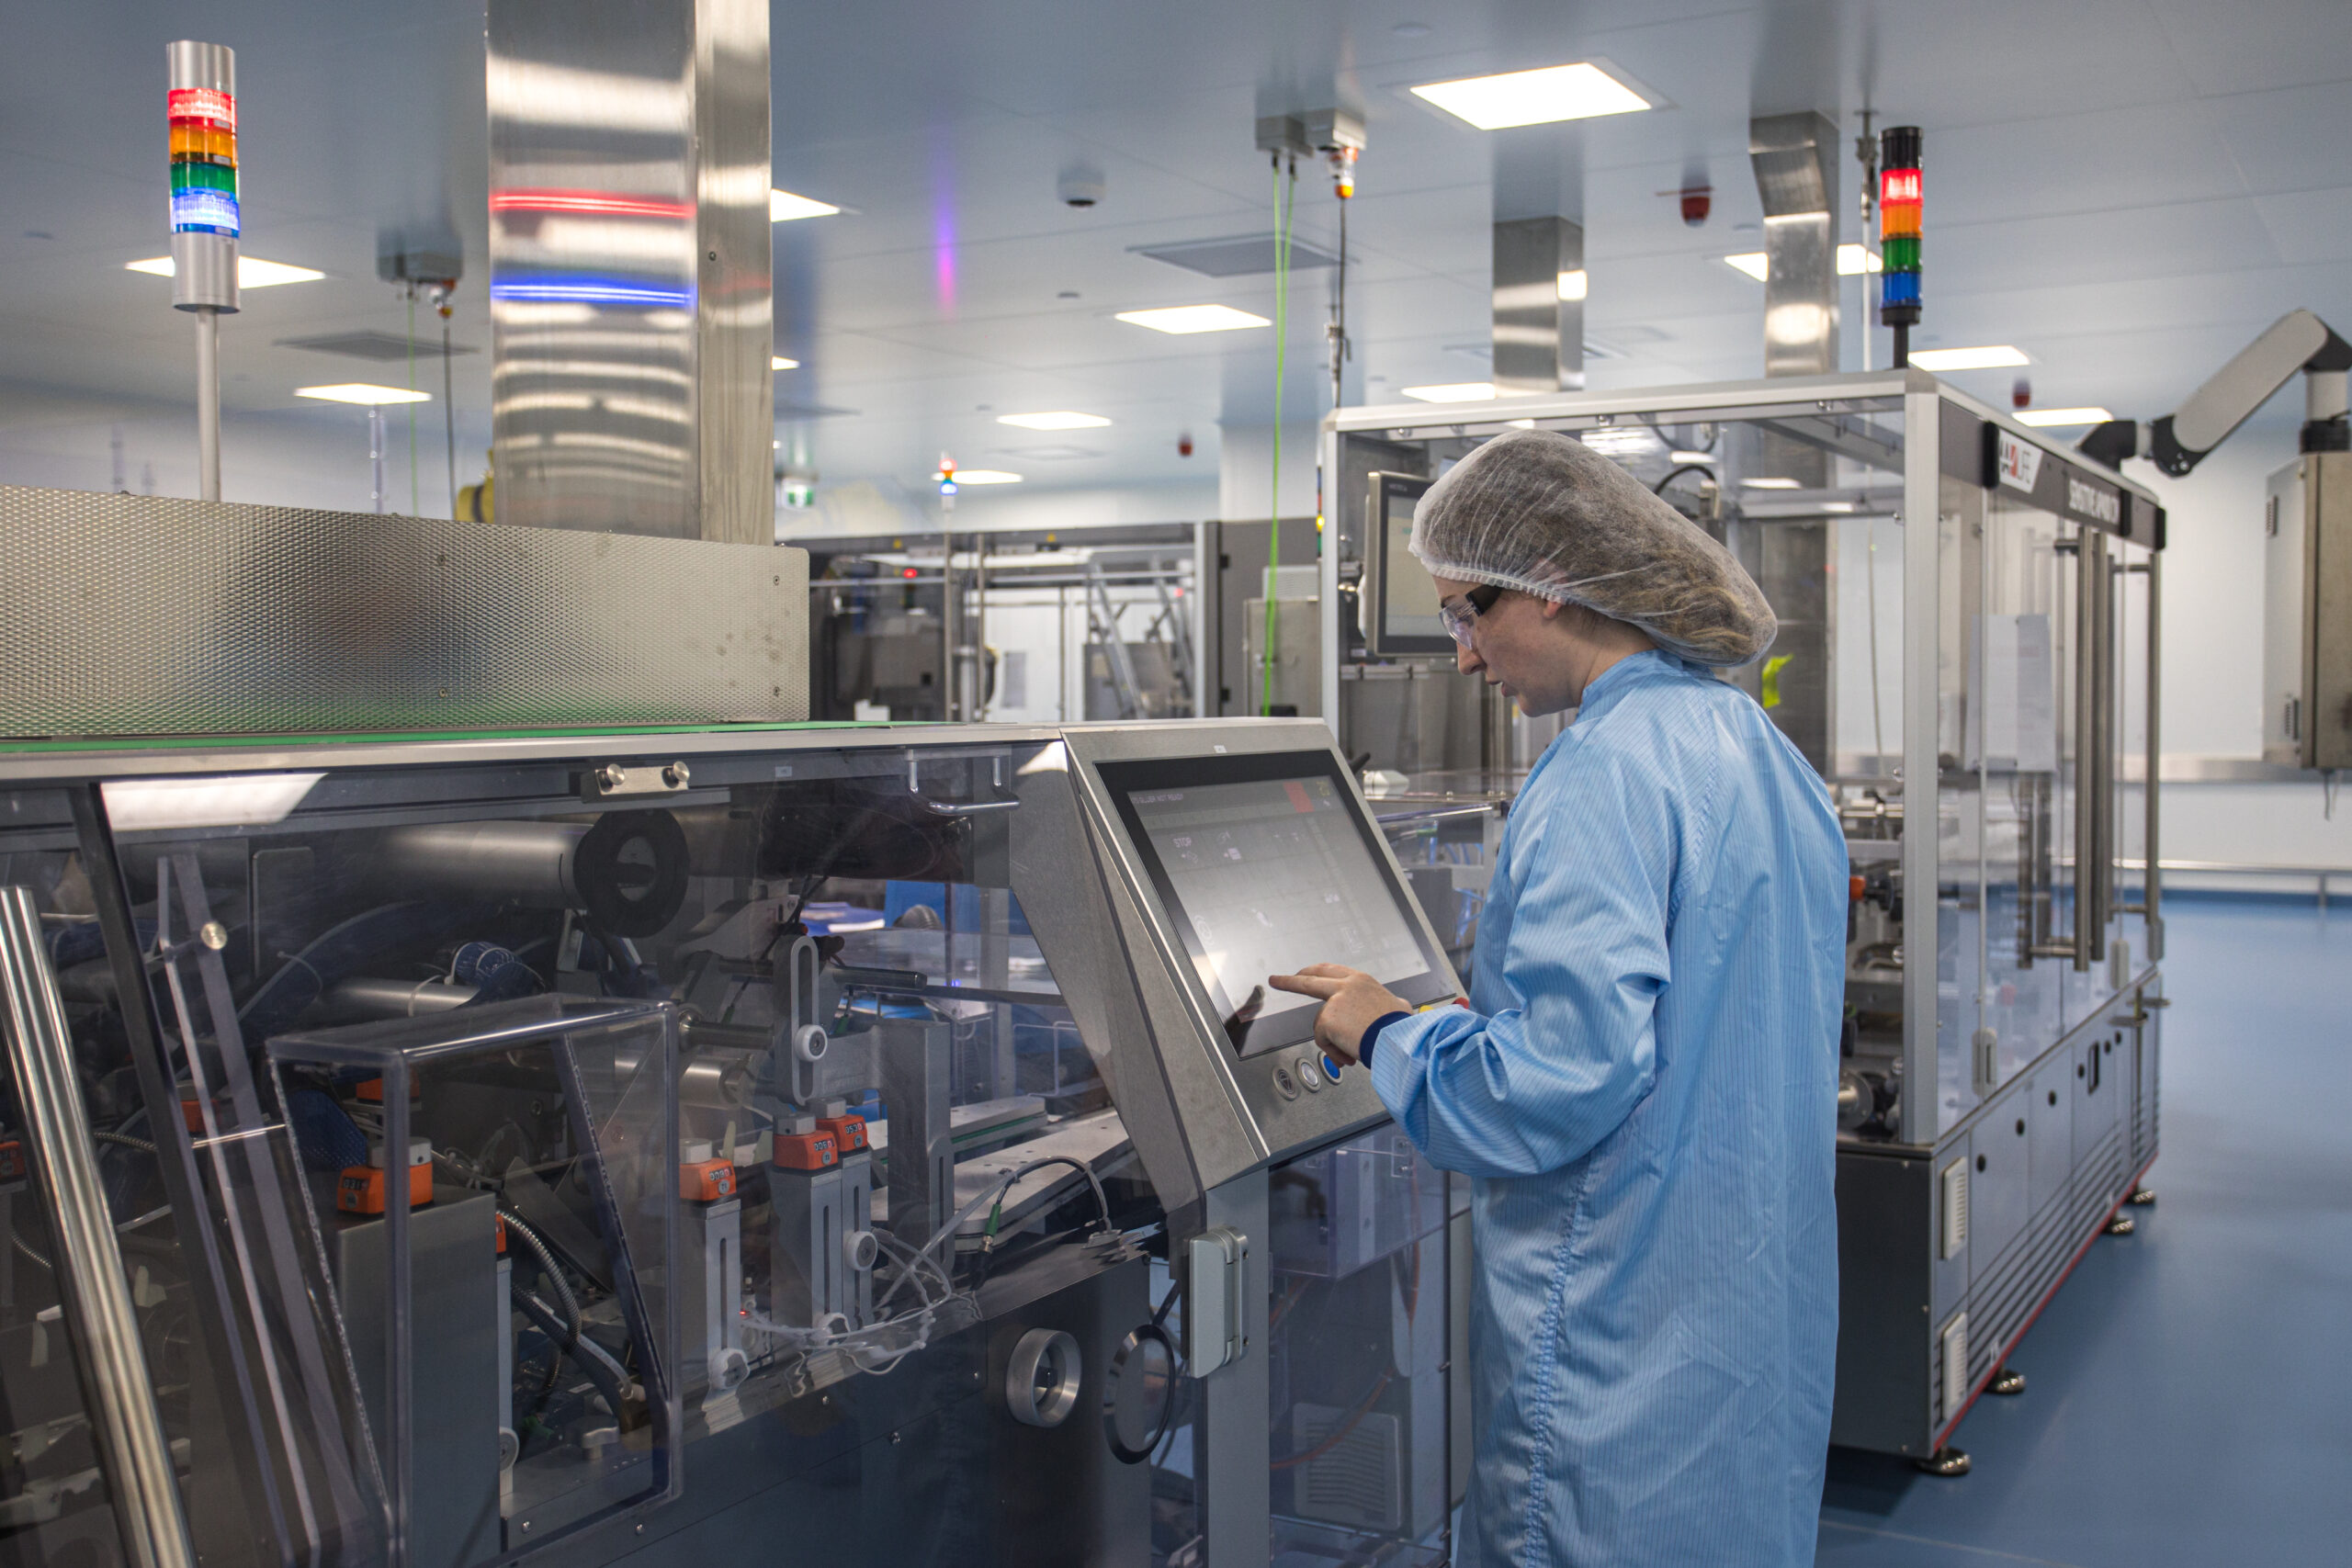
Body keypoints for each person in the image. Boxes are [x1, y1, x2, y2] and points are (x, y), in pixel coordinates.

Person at [1270, 429, 1847, 1567]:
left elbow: (1551, 1087)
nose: (1465, 656)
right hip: (1741, 1314)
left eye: (1466, 612)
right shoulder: (1753, 744)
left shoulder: (1599, 773)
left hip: (1618, 1336)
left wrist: (1386, 1029)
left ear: (1557, 584)